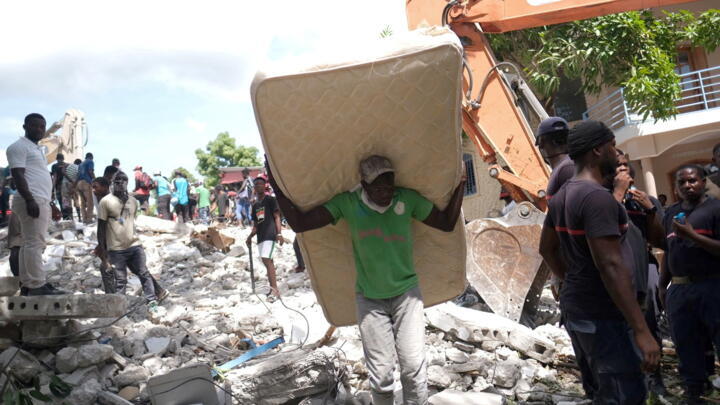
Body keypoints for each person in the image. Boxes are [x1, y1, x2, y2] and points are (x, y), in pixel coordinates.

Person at [270, 154, 466, 404]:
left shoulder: (407, 199)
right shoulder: (348, 204)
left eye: (390, 185)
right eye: (379, 188)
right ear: (364, 185)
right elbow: (300, 223)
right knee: (381, 376)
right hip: (370, 299)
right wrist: (276, 184)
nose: (387, 192)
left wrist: (460, 183)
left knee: (413, 367)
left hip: (407, 295)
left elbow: (446, 223)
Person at [538, 120, 659, 404]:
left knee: (602, 391)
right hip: (604, 314)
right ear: (597, 150)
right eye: (612, 146)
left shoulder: (563, 195)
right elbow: (610, 266)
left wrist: (572, 281)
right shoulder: (597, 199)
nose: (616, 153)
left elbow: (547, 250)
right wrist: (642, 330)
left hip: (579, 308)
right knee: (624, 394)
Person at [658, 165, 720, 404]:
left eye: (692, 181)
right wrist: (663, 286)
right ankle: (694, 392)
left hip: (712, 287)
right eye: (682, 182)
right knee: (686, 343)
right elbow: (668, 251)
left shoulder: (715, 209)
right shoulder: (671, 214)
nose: (687, 186)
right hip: (681, 290)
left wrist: (693, 235)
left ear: (703, 182)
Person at [6, 113, 67, 295]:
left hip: (39, 199)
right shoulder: (18, 147)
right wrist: (30, 199)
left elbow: (37, 177)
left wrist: (51, 204)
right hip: (30, 199)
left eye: (42, 126)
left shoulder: (36, 149)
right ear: (25, 127)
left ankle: (28, 283)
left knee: (28, 243)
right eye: (35, 126)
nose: (39, 129)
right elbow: (18, 175)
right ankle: (36, 285)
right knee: (35, 242)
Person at [96, 172, 167, 310]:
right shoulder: (105, 202)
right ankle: (119, 307)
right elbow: (101, 228)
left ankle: (152, 301)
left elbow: (128, 222)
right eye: (117, 180)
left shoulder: (133, 201)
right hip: (116, 249)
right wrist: (103, 250)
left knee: (144, 273)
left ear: (127, 183)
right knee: (120, 280)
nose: (120, 183)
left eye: (123, 180)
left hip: (135, 245)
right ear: (112, 182)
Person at [246, 177, 284, 299]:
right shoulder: (255, 205)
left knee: (267, 260)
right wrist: (250, 236)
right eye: (256, 184)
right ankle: (272, 288)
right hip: (260, 236)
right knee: (266, 261)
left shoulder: (271, 200)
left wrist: (279, 234)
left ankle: (275, 290)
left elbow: (277, 216)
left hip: (270, 234)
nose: (258, 186)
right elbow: (256, 224)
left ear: (265, 186)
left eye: (260, 184)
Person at [91, 177, 117, 293]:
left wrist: (103, 247)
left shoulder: (108, 202)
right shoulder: (105, 201)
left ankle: (112, 298)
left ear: (105, 187)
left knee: (106, 268)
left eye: (96, 187)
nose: (93, 190)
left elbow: (103, 228)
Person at [77, 152, 96, 223]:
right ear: (91, 157)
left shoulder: (81, 164)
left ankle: (84, 219)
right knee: (90, 202)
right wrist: (95, 180)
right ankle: (89, 219)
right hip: (86, 182)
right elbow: (90, 171)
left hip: (79, 183)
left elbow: (78, 174)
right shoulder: (90, 161)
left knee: (82, 203)